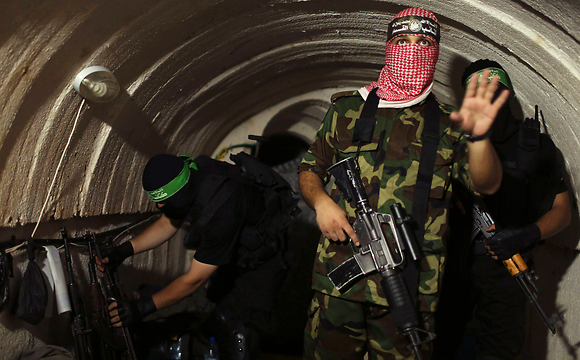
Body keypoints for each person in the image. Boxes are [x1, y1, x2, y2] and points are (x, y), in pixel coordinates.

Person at [297, 7, 510, 360]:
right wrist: (321, 202)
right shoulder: (348, 109)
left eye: (424, 42)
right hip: (339, 278)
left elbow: (486, 185)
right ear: (388, 45)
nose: (412, 49)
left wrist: (480, 138)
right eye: (402, 40)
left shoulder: (446, 125)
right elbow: (310, 169)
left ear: (436, 53)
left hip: (411, 286)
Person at [96, 152, 299, 360]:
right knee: (218, 316)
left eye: (165, 201)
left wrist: (141, 308)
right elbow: (168, 223)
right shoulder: (191, 173)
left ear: (180, 192)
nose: (159, 207)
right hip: (237, 252)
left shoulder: (222, 210)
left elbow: (194, 279)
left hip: (264, 262)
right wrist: (123, 250)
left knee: (241, 333)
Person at [432, 59, 572, 360]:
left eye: (497, 92)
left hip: (510, 266)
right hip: (451, 264)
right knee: (436, 345)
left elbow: (563, 210)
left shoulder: (535, 145)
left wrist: (527, 234)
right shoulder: (450, 141)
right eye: (480, 94)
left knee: (500, 350)